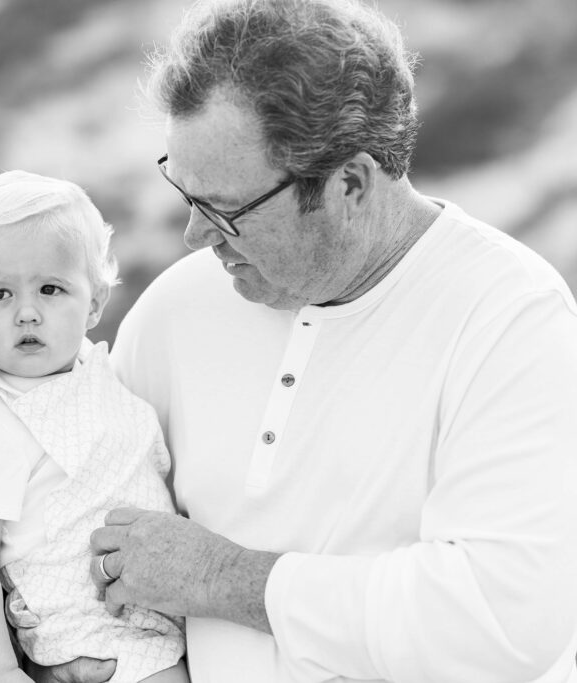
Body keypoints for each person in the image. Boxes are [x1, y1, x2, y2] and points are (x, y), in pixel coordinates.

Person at [87, 0, 577, 681]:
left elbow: (503, 620)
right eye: (185, 193)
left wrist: (224, 579)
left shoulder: (510, 318)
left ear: (349, 182)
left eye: (226, 211)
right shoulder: (173, 311)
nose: (195, 238)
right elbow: (76, 530)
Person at [0, 171, 187, 683]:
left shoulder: (102, 377)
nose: (27, 312)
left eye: (51, 289)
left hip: (164, 622)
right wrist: (0, 671)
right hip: (89, 640)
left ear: (93, 302)